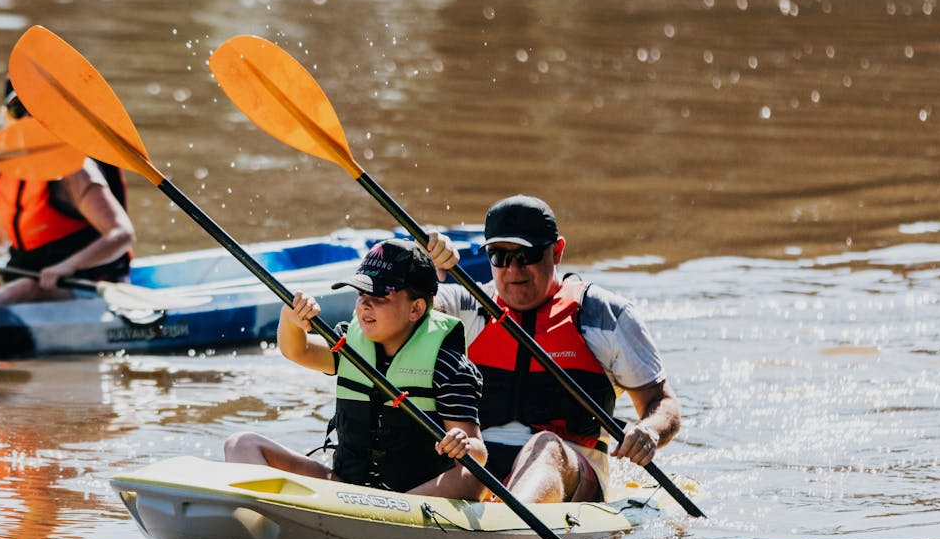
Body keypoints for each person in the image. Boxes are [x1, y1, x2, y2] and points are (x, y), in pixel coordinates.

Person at [428, 195, 682, 503]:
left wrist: (649, 432)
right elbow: (405, 309)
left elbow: (662, 402)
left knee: (545, 445)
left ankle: (509, 525)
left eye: (526, 255)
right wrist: (423, 264)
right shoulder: (468, 306)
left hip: (569, 474)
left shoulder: (602, 315)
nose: (513, 270)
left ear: (557, 251)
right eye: (499, 256)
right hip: (476, 470)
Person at [224, 239, 489, 498]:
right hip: (345, 489)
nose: (364, 304)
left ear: (416, 309)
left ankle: (388, 514)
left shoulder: (448, 366)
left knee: (473, 476)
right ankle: (266, 517)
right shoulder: (348, 342)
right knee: (241, 444)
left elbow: (477, 453)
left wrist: (463, 444)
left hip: (415, 499)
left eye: (380, 296)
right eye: (361, 294)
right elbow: (298, 350)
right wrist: (290, 317)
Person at [0, 79, 135, 307]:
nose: (28, 119)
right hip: (30, 287)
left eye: (39, 111)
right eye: (19, 109)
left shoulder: (75, 171)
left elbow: (121, 233)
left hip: (86, 287)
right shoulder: (7, 170)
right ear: (6, 116)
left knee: (23, 289)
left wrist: (68, 266)